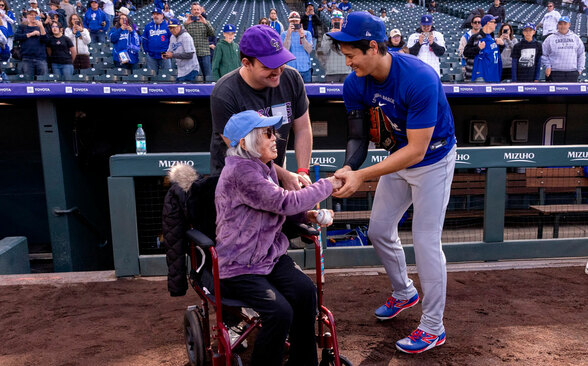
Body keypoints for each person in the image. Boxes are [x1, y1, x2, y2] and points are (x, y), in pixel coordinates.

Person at [327, 11, 456, 354]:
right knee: (379, 230)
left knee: (426, 241)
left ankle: (432, 327)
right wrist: (346, 168)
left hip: (433, 159)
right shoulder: (355, 82)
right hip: (397, 155)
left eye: (351, 54)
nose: (347, 60)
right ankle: (404, 293)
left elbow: (417, 151)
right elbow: (357, 136)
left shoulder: (419, 77)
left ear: (372, 46)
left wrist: (363, 175)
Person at [216, 110, 342, 366]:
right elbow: (285, 201)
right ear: (244, 143)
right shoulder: (242, 173)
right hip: (240, 266)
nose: (276, 138)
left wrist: (308, 216)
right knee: (279, 312)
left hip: (268, 257)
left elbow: (279, 209)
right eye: (268, 133)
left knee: (306, 293)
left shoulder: (264, 166)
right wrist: (329, 184)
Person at [209, 24, 313, 191]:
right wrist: (284, 175)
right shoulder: (224, 92)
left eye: (281, 62)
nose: (278, 70)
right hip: (235, 183)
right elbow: (243, 154)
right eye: (268, 66)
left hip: (274, 175)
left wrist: (303, 171)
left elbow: (302, 129)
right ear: (247, 63)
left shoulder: (292, 78)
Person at [541, 16, 585, 82]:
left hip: (572, 73)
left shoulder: (576, 38)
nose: (562, 26)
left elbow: (581, 54)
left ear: (569, 25)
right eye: (560, 24)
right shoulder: (550, 38)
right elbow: (544, 54)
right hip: (554, 73)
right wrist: (548, 66)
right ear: (557, 25)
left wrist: (580, 69)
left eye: (565, 24)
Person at [464, 15, 502, 82]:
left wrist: (502, 45)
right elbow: (466, 53)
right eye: (494, 22)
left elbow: (493, 54)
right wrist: (478, 48)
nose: (496, 25)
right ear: (488, 23)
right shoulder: (476, 37)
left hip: (491, 74)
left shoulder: (492, 37)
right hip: (478, 75)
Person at [183, 2, 214, 81]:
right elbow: (179, 35)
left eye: (198, 9)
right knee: (194, 77)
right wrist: (186, 24)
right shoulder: (187, 23)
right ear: (191, 11)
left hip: (204, 53)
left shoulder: (206, 22)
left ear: (201, 11)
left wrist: (205, 23)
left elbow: (212, 34)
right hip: (192, 54)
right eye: (194, 9)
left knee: (207, 76)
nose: (196, 11)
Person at [15, 8, 49, 77]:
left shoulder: (42, 28)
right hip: (27, 58)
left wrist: (41, 27)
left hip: (40, 58)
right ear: (27, 16)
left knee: (43, 81)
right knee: (28, 81)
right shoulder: (23, 27)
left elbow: (46, 40)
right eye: (31, 15)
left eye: (35, 15)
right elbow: (16, 37)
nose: (33, 16)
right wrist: (30, 34)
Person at [281, 11, 313, 83]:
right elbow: (284, 50)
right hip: (290, 69)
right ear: (289, 21)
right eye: (292, 21)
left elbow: (309, 50)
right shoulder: (284, 34)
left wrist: (302, 37)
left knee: (307, 92)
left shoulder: (307, 33)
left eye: (296, 21)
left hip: (305, 68)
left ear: (299, 21)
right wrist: (288, 34)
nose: (294, 23)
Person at [319, 10, 350, 82]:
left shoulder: (347, 35)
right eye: (335, 20)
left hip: (346, 71)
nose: (337, 21)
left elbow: (349, 49)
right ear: (332, 21)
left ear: (342, 21)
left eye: (339, 20)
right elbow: (324, 51)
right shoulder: (327, 35)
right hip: (331, 72)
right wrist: (331, 36)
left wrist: (340, 34)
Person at [141, 7, 172, 74]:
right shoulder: (148, 26)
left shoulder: (167, 26)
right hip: (151, 55)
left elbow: (172, 40)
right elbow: (144, 40)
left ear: (162, 15)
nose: (155, 16)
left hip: (164, 54)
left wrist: (169, 51)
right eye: (154, 14)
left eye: (157, 14)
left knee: (167, 74)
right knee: (152, 75)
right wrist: (147, 51)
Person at [459, 15, 481, 80]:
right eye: (475, 22)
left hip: (481, 66)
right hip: (468, 66)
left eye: (479, 22)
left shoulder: (484, 36)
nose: (477, 24)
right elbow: (462, 52)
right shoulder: (466, 37)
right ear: (471, 24)